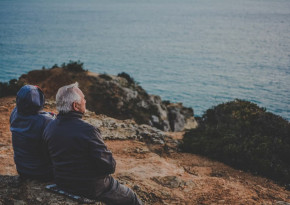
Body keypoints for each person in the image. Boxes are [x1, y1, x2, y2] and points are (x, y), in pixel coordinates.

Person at [43, 82, 143, 205]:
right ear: (75, 106)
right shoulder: (88, 130)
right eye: (83, 99)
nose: (85, 101)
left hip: (62, 182)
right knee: (132, 197)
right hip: (91, 188)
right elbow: (109, 167)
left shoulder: (50, 126)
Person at [10, 85, 55, 181]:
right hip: (42, 172)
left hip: (21, 169)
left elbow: (31, 117)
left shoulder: (14, 113)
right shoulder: (46, 121)